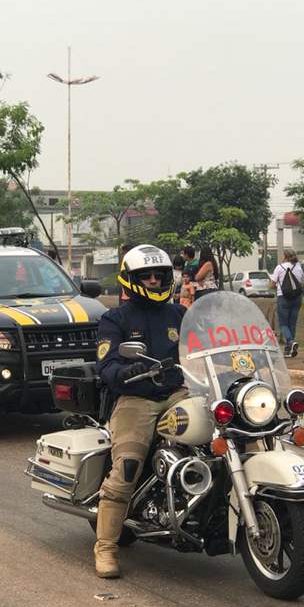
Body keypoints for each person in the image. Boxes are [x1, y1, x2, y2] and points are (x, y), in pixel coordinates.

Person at [94, 244, 187, 578]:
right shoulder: (115, 318)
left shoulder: (179, 315)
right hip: (137, 398)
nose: (152, 280)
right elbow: (106, 364)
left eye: (158, 274)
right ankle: (105, 548)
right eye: (144, 275)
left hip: (178, 393)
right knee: (128, 465)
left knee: (228, 424)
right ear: (131, 279)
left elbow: (204, 347)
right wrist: (124, 373)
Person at [271, 248, 304, 357]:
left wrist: (276, 285)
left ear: (285, 256)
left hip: (283, 297)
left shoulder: (279, 267)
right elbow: (301, 280)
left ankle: (290, 341)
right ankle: (289, 350)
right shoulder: (298, 267)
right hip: (297, 298)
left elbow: (272, 284)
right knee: (292, 323)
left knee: (283, 324)